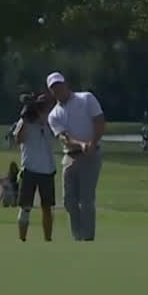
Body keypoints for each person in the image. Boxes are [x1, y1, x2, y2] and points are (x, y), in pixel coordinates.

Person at [45, 71, 105, 242]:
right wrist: (80, 144)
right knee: (68, 201)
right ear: (51, 91)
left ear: (66, 84)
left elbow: (99, 121)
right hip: (70, 156)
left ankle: (87, 238)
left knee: (86, 200)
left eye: (59, 85)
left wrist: (92, 143)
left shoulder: (86, 98)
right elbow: (63, 137)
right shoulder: (54, 115)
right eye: (54, 88)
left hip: (91, 155)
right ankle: (77, 236)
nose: (58, 90)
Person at [12, 94, 57, 241]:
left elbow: (56, 134)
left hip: (47, 170)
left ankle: (48, 239)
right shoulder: (25, 122)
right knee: (25, 207)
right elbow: (18, 139)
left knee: (47, 208)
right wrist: (25, 120)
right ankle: (22, 239)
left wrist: (43, 121)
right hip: (29, 169)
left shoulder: (51, 121)